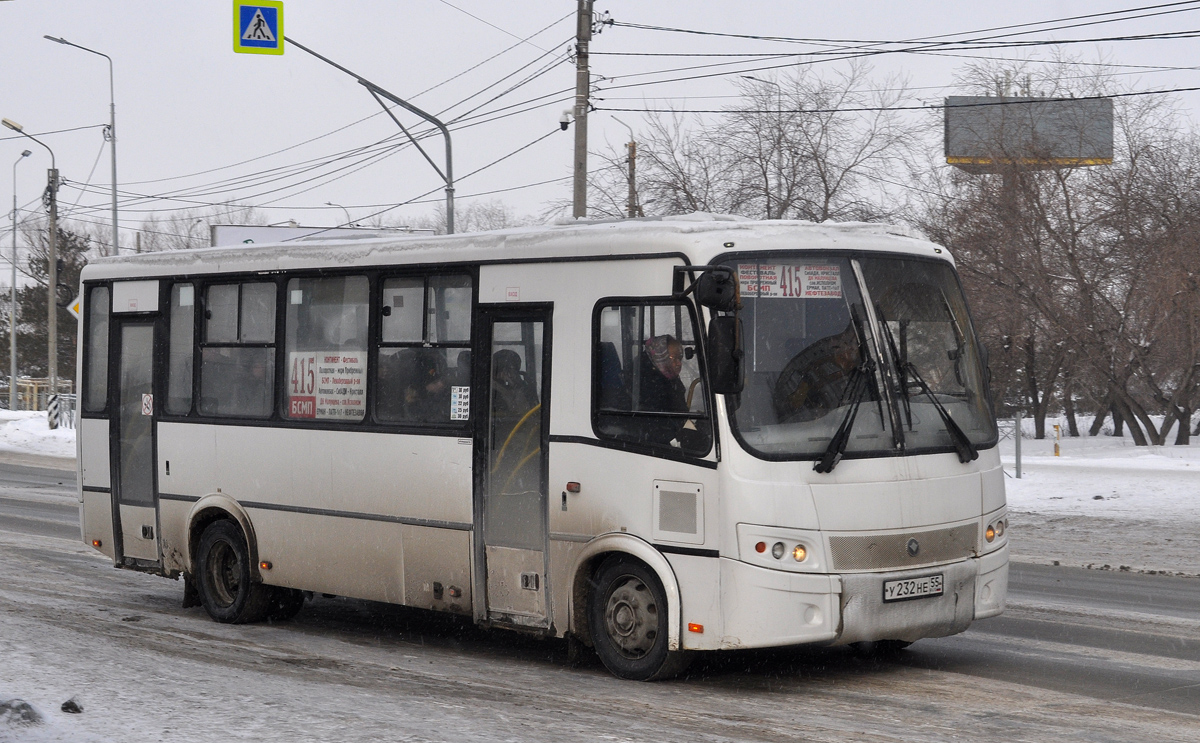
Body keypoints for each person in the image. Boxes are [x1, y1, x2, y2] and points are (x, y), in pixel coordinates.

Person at [639, 335, 708, 451]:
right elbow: (655, 426)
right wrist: (683, 433)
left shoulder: (669, 378)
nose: (679, 364)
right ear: (660, 356)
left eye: (680, 358)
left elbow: (678, 414)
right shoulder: (648, 382)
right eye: (673, 358)